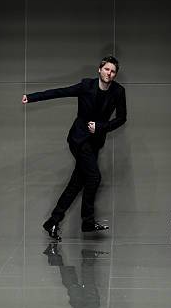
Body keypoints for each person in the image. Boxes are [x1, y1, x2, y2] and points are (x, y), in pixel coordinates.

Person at [22, 56, 127, 241]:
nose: (109, 74)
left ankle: (53, 221)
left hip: (95, 142)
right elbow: (60, 92)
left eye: (112, 71)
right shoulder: (86, 86)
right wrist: (31, 97)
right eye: (106, 69)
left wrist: (101, 127)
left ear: (115, 74)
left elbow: (121, 118)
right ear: (99, 70)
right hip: (78, 139)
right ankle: (87, 222)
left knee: (77, 183)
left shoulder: (118, 91)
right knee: (94, 177)